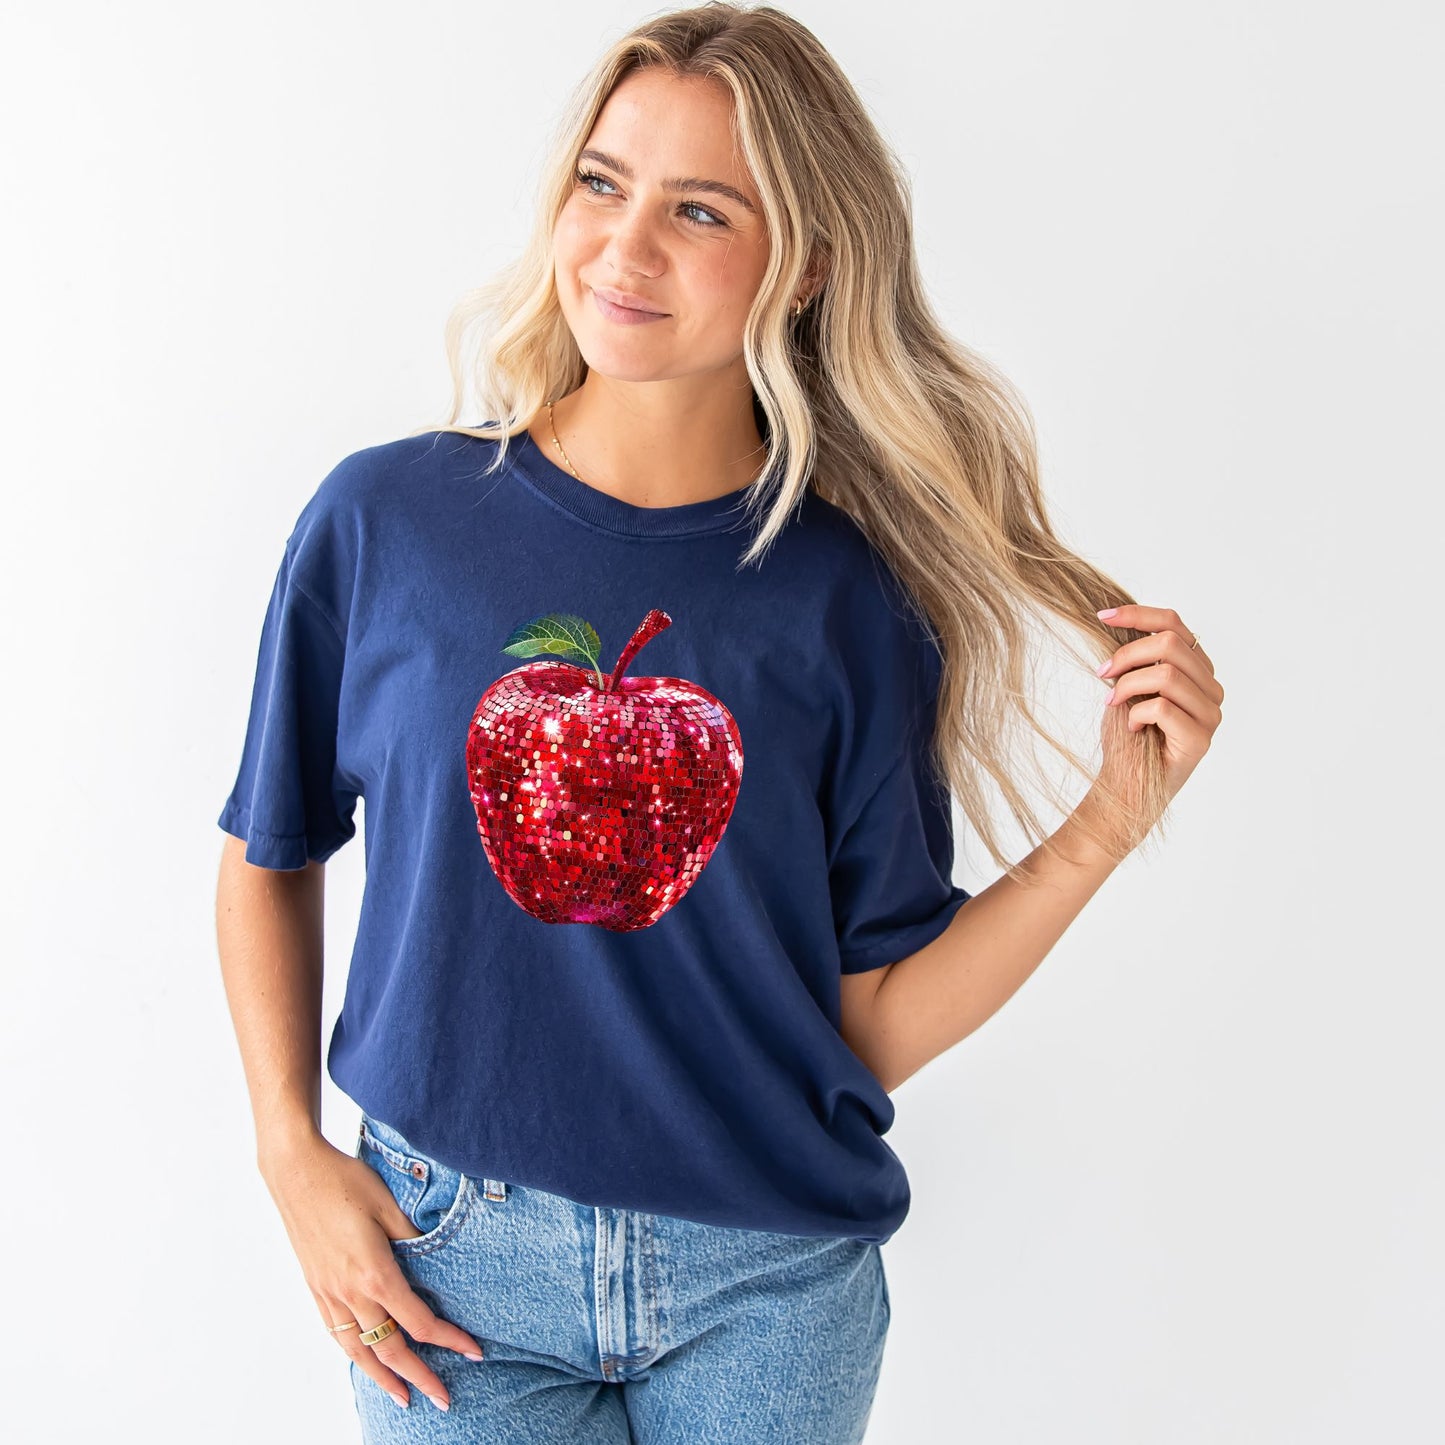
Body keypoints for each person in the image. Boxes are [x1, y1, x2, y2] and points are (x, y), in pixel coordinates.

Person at [213, 4, 1224, 1440]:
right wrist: (285, 1151)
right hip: (446, 1262)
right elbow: (269, 847)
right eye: (602, 182)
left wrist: (1111, 822)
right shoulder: (389, 522)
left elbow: (864, 1020)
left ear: (805, 265)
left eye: (700, 210)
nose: (626, 249)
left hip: (765, 1287)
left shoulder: (852, 601)